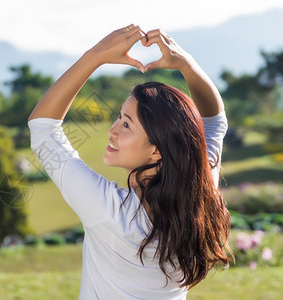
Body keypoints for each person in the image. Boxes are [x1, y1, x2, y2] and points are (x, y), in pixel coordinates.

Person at [28, 24, 233, 299]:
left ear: (157, 150)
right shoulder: (200, 190)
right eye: (119, 116)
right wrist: (187, 64)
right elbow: (215, 120)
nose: (112, 130)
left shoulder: (110, 212)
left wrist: (95, 55)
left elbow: (43, 129)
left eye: (126, 124)